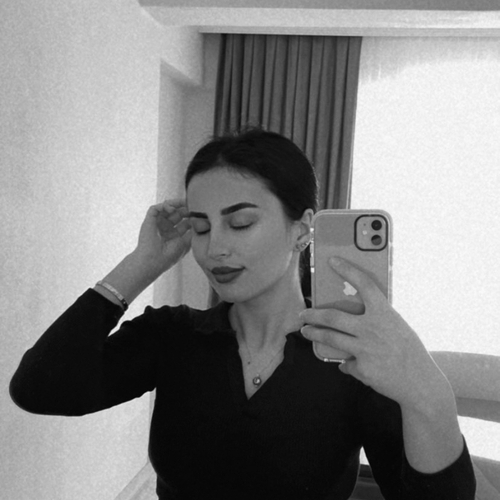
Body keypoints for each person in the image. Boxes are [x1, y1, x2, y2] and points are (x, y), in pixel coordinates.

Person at [10, 129, 476, 499]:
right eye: (200, 227)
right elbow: (40, 388)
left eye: (240, 222)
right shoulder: (173, 336)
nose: (215, 247)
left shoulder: (348, 355)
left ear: (302, 229)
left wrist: (428, 393)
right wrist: (141, 264)